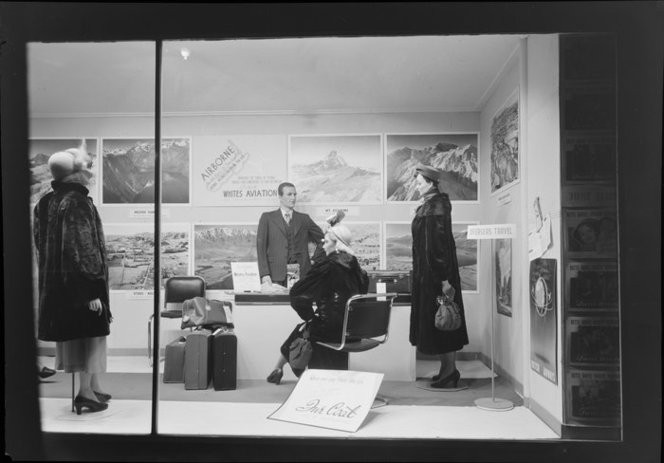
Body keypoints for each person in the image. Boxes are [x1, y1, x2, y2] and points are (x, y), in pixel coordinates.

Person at [33, 141, 112, 414]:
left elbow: (41, 246)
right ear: (76, 173)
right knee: (90, 335)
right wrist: (90, 290)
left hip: (57, 287)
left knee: (79, 336)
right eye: (88, 167)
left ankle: (95, 387)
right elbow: (82, 248)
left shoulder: (44, 203)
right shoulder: (77, 202)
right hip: (82, 284)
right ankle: (85, 393)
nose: (91, 172)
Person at [266, 224, 369, 384]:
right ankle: (278, 369)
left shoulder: (327, 266)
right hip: (353, 331)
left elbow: (297, 294)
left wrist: (310, 317)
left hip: (332, 332)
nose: (323, 244)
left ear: (336, 244)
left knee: (305, 328)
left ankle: (282, 370)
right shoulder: (357, 268)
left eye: (326, 241)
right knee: (304, 328)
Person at [410, 163, 469, 389]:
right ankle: (448, 370)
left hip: (438, 278)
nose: (416, 187)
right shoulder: (431, 205)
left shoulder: (436, 207)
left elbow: (438, 247)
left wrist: (444, 280)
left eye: (418, 183)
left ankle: (450, 371)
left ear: (430, 183)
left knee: (445, 319)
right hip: (432, 276)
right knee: (441, 321)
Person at [256, 182, 324, 287]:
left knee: (299, 303)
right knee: (277, 303)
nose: (293, 198)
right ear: (280, 196)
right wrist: (264, 273)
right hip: (275, 274)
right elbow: (261, 249)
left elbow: (324, 239)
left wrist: (315, 259)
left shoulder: (304, 219)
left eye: (295, 194)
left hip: (301, 273)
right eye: (289, 194)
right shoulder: (267, 218)